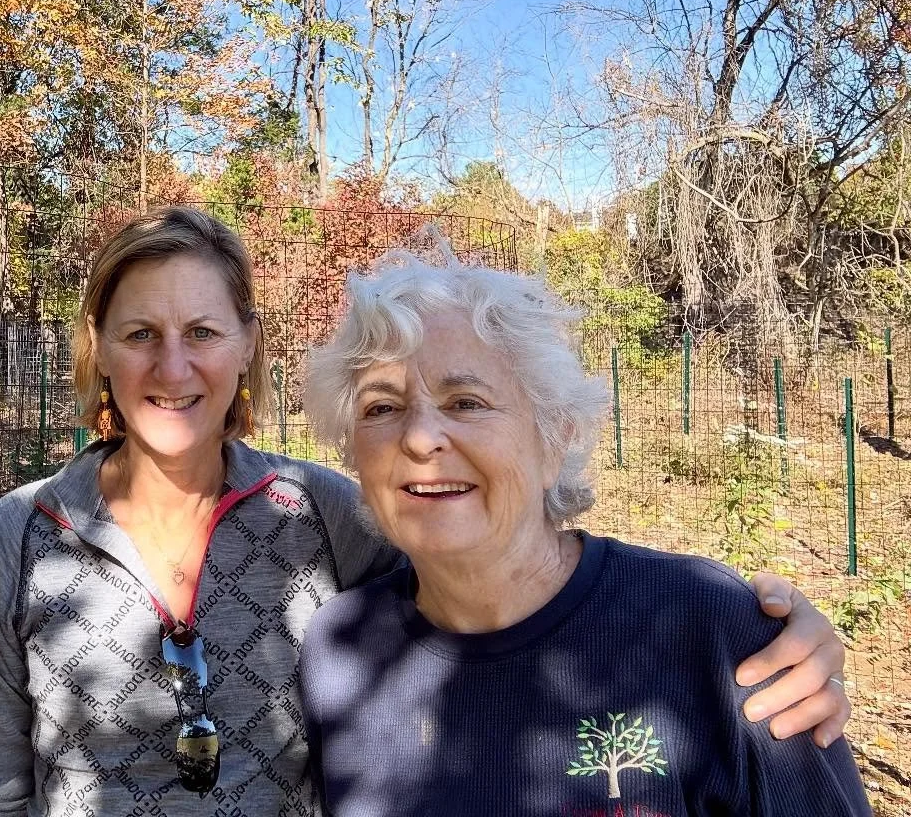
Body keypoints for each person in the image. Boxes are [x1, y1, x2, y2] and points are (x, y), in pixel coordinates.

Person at [0, 206, 852, 817]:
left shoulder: (319, 515)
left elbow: (516, 586)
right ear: (99, 349)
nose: (172, 366)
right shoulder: (24, 537)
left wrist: (761, 623)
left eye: (203, 332)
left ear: (247, 349)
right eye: (140, 334)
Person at [298, 250, 870, 816]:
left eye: (466, 402)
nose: (420, 438)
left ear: (555, 438)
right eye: (381, 408)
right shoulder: (338, 653)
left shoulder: (722, 633)